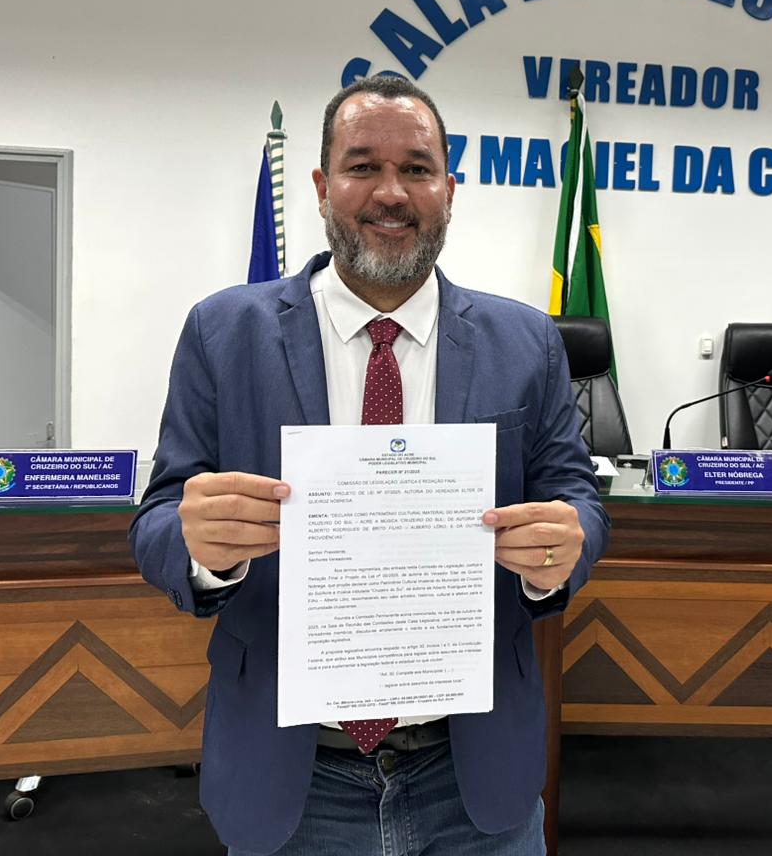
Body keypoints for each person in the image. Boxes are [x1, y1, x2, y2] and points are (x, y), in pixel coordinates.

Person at [129, 75, 609, 856]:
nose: (392, 192)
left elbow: (577, 497)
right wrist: (199, 549)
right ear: (323, 188)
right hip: (294, 776)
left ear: (449, 191)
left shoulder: (528, 341)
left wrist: (561, 545)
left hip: (473, 770)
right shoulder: (224, 333)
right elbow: (157, 518)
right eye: (363, 167)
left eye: (417, 169)